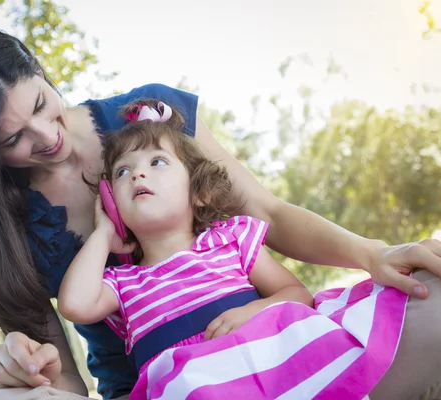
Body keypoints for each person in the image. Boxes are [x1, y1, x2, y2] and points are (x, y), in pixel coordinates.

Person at [0, 23, 441, 400]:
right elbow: (60, 374)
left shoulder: (152, 119)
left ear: (42, 71)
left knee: (433, 291)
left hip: (272, 349)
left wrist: (372, 253)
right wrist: (23, 368)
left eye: (42, 104)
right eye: (13, 138)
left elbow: (268, 214)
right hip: (164, 385)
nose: (47, 137)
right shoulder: (1, 227)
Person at [57, 100, 409, 400]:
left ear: (199, 192)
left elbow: (297, 293)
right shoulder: (123, 282)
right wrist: (103, 233)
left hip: (277, 370)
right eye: (122, 171)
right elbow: (75, 305)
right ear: (112, 205)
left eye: (157, 162)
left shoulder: (229, 240)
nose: (137, 175)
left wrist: (256, 310)